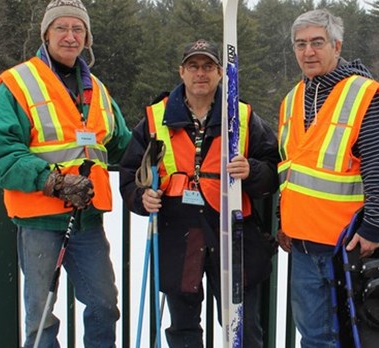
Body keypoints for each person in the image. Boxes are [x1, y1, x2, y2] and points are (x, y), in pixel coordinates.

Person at [0, 0, 131, 347]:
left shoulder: (98, 89)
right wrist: (52, 180)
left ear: (87, 38)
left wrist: (159, 145)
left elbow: (122, 143)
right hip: (39, 221)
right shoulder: (18, 83)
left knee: (104, 306)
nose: (70, 36)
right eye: (61, 28)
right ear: (46, 34)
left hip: (87, 221)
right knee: (41, 315)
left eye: (78, 29)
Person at [119, 39, 279, 348]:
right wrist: (141, 198)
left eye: (208, 66)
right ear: (182, 72)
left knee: (242, 331)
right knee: (183, 332)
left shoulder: (243, 117)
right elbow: (129, 175)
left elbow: (273, 171)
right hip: (179, 236)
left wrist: (253, 171)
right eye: (193, 66)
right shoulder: (155, 118)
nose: (200, 73)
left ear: (221, 73)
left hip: (232, 236)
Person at [275, 9, 379, 348]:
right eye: (300, 44)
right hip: (302, 241)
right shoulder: (291, 100)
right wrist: (282, 219)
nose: (308, 52)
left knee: (358, 335)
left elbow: (378, 164)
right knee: (314, 336)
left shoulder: (361, 94)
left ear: (337, 45)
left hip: (350, 244)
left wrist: (373, 226)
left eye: (317, 42)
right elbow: (290, 166)